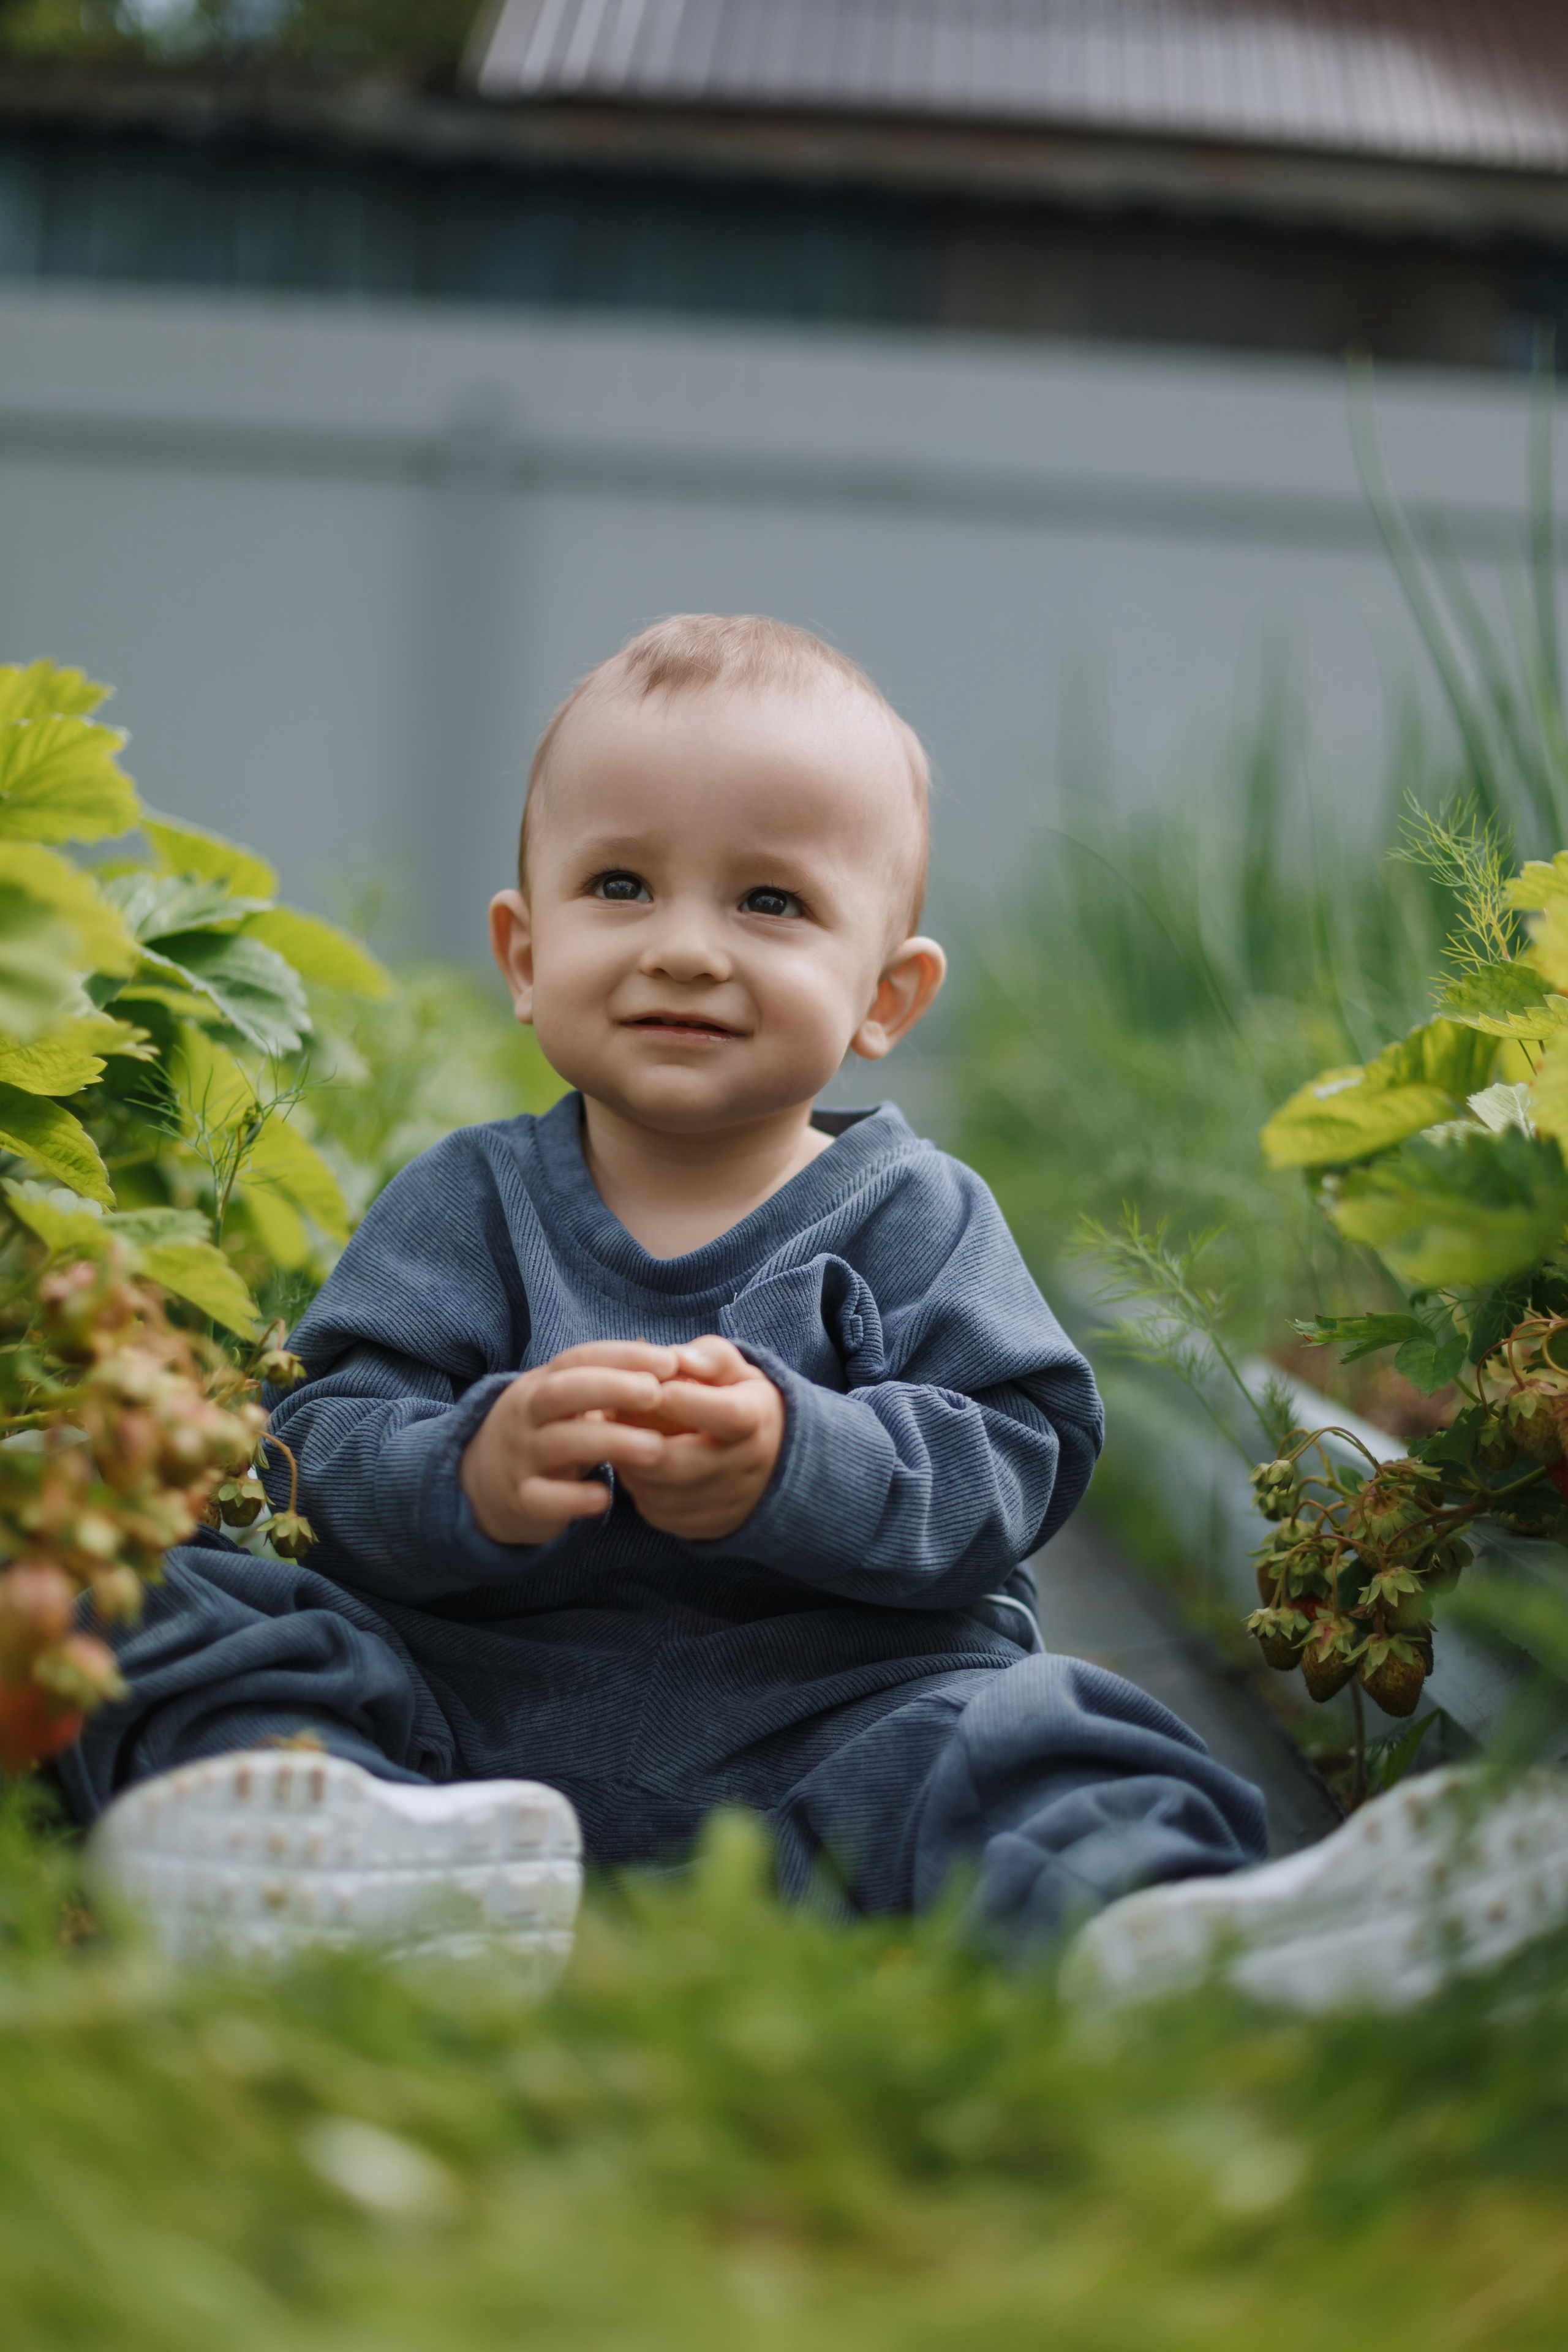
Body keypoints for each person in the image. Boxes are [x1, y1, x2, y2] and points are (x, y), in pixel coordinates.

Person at [70, 614, 1267, 1966]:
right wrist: (473, 1469)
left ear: (886, 995)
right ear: (524, 958)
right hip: (453, 1725)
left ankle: (1158, 1928)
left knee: (1032, 1739)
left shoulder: (913, 1214)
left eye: (769, 902)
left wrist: (795, 1461)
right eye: (622, 886)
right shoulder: (466, 1200)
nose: (686, 948)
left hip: (830, 1728)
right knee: (165, 1597)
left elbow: (1015, 1455)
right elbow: (317, 1448)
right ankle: (345, 1850)